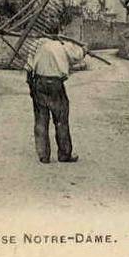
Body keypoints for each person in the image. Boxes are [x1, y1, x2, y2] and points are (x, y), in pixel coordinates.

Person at [24, 36, 86, 164]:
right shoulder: (63, 45)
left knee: (41, 119)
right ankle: (64, 154)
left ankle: (43, 155)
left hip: (39, 83)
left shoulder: (36, 44)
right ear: (58, 32)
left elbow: (29, 69)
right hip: (55, 85)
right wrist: (84, 50)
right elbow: (77, 56)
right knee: (61, 120)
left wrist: (31, 87)